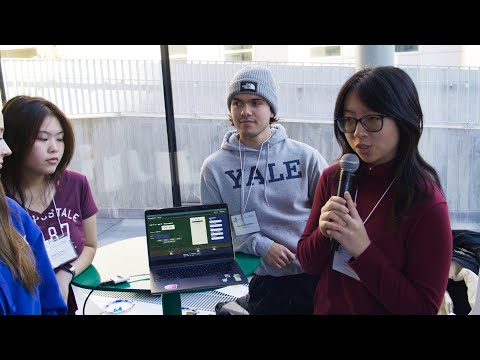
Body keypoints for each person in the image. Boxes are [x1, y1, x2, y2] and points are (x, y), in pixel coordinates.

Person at [297, 66, 453, 315]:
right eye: (349, 120)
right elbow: (308, 263)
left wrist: (363, 250)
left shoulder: (426, 202)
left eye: (372, 119)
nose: (358, 133)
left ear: (404, 119)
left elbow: (423, 308)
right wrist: (322, 233)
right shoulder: (334, 177)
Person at [200, 65, 329, 315]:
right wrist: (261, 245)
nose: (245, 111)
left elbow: (331, 218)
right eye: (237, 103)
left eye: (256, 102)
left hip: (314, 277)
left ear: (271, 110)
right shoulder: (214, 168)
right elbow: (215, 233)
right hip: (265, 283)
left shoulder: (305, 156)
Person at [1, 95, 98, 315]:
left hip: (79, 299)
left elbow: (90, 246)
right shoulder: (5, 202)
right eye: (43, 139)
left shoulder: (77, 184)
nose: (54, 148)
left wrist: (66, 274)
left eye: (60, 138)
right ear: (16, 140)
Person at [0, 110, 67, 315]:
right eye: (43, 138)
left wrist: (67, 272)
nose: (6, 149)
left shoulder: (13, 214)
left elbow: (50, 304)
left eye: (2, 135)